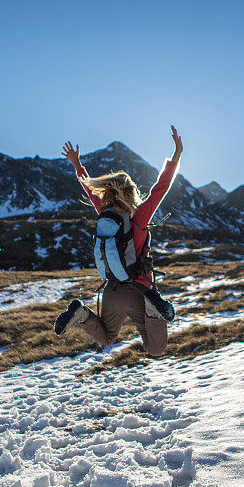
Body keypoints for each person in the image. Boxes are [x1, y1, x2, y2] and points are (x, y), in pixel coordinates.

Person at [53, 126, 183, 357]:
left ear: (108, 193)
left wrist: (76, 163)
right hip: (138, 290)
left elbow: (90, 190)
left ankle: (81, 314)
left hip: (111, 290)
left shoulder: (105, 212)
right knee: (156, 349)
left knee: (106, 338)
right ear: (131, 193)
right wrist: (176, 156)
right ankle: (154, 310)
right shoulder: (139, 217)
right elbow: (159, 189)